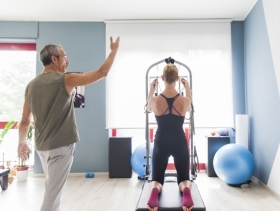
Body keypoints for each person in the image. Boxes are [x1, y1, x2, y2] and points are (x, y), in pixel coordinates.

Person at [17, 36, 120, 211]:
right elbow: (102, 72)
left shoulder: (31, 86)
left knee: (52, 189)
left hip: (42, 147)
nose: (68, 61)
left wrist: (21, 142)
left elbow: (25, 121)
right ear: (54, 59)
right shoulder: (65, 79)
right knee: (52, 196)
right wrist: (114, 51)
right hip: (61, 146)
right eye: (64, 57)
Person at [145, 64, 193, 211]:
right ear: (178, 79)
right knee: (184, 178)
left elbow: (147, 108)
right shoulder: (185, 101)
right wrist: (188, 89)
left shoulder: (154, 101)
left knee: (157, 179)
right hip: (180, 141)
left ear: (162, 78)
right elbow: (190, 107)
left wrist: (151, 90)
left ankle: (154, 191)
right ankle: (185, 190)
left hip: (161, 142)